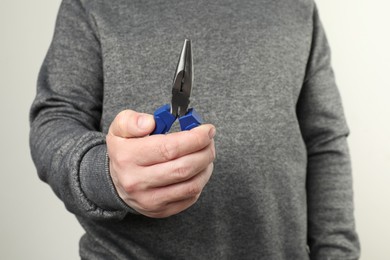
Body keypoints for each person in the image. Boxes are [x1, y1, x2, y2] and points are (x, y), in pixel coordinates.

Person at [29, 0, 360, 259]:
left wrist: (337, 255)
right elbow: (55, 118)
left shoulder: (297, 7)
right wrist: (106, 174)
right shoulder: (89, 4)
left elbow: (324, 141)